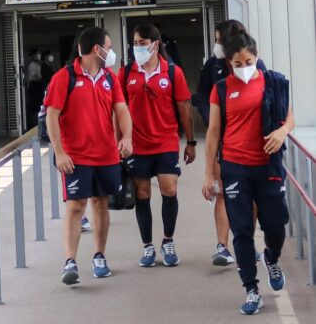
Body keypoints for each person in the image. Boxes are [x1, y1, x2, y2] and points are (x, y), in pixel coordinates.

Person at [201, 26, 294, 315]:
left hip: (267, 165)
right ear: (229, 63)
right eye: (237, 64)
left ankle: (271, 257)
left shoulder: (273, 82)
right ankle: (251, 288)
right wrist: (209, 173)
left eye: (248, 62)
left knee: (276, 224)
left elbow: (289, 118)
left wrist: (282, 133)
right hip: (235, 167)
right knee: (241, 230)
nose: (243, 68)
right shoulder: (222, 89)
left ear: (257, 57)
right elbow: (214, 132)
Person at [44, 27, 133, 285]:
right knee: (76, 206)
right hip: (76, 156)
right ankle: (70, 261)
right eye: (110, 46)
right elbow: (52, 115)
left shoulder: (109, 77)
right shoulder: (64, 77)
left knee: (101, 203)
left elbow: (122, 109)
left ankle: (99, 256)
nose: (112, 51)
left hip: (106, 154)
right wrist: (59, 152)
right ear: (97, 49)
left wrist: (126, 138)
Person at [119, 24, 196, 267]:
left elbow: (184, 107)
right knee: (142, 194)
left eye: (142, 43)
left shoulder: (173, 72)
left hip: (165, 140)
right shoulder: (126, 73)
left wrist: (191, 141)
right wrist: (119, 139)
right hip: (137, 143)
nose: (137, 47)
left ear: (155, 44)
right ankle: (147, 246)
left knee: (170, 190)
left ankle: (168, 240)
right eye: (135, 42)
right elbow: (118, 109)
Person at [193, 20, 267, 266]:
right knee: (223, 191)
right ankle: (222, 246)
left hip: (250, 142)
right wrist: (209, 114)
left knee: (252, 197)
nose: (216, 44)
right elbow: (202, 94)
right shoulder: (213, 66)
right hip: (223, 139)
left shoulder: (257, 66)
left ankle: (246, 242)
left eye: (217, 39)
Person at [25, 48, 43, 130]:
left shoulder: (37, 64)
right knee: (34, 107)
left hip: (37, 86)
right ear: (33, 55)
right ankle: (33, 126)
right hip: (34, 86)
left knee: (38, 105)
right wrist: (42, 79)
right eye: (37, 54)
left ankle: (37, 124)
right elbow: (35, 77)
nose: (38, 55)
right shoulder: (32, 65)